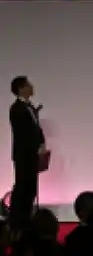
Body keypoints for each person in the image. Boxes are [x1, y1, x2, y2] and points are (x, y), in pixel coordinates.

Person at [8, 75, 46, 232]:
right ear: (21, 89)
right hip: (24, 155)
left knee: (30, 188)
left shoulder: (29, 107)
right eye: (29, 85)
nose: (32, 87)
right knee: (22, 188)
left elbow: (36, 128)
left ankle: (26, 219)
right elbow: (23, 134)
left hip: (32, 155)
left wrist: (42, 143)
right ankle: (17, 222)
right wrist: (35, 146)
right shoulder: (16, 109)